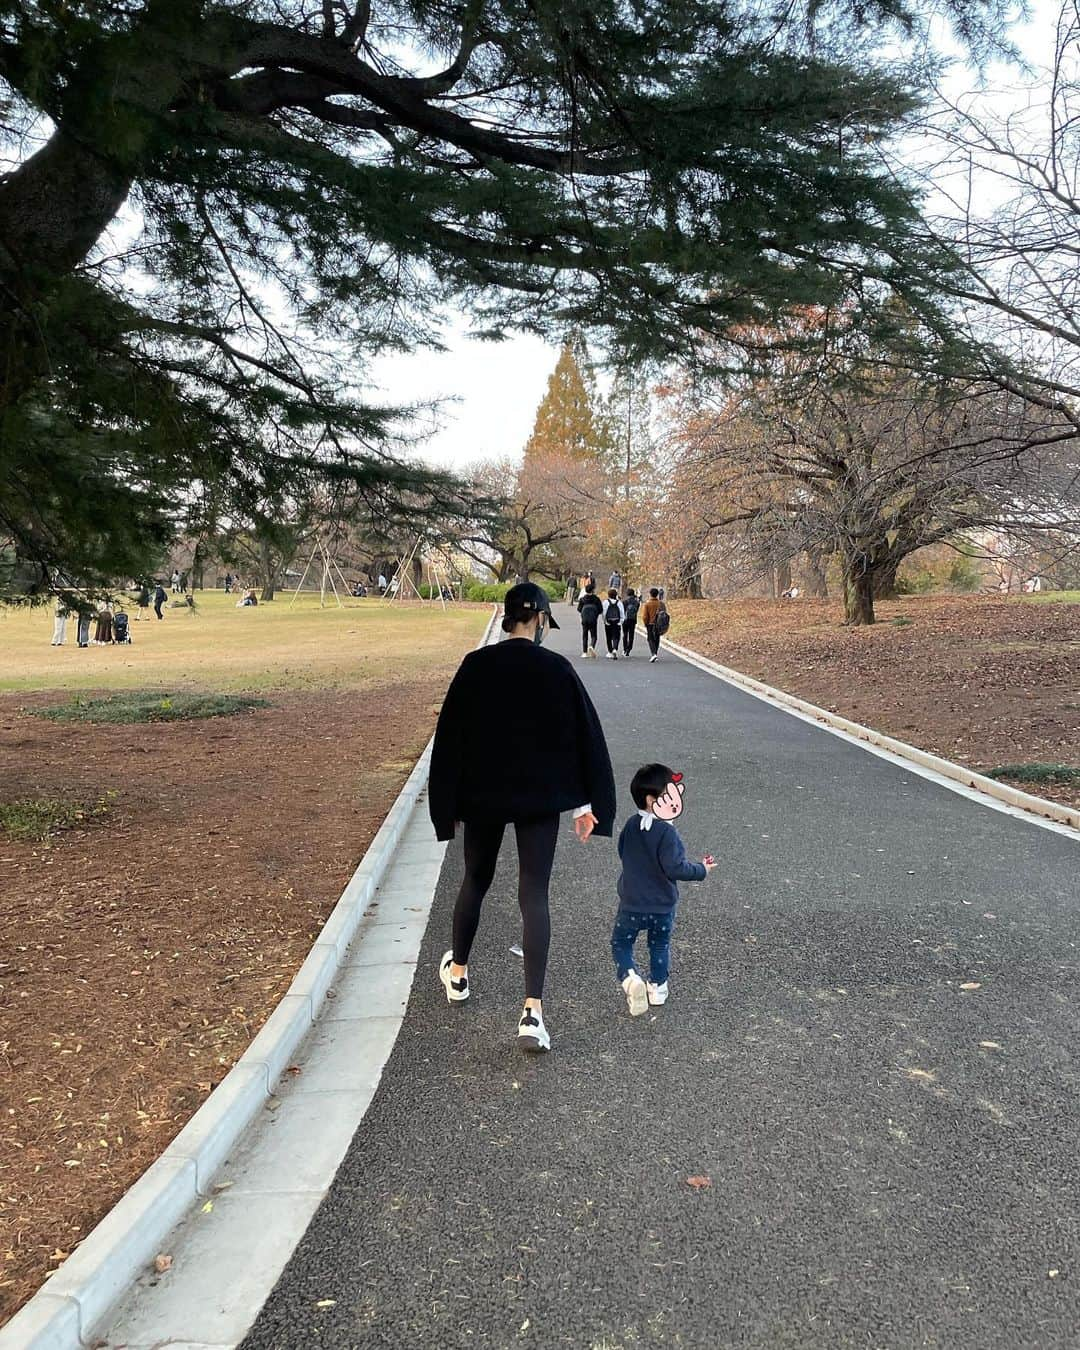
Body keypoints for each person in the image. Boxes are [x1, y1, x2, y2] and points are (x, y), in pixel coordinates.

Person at [429, 582, 616, 1053]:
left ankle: (458, 973)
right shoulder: (556, 669)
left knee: (475, 879)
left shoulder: (476, 666)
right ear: (537, 621)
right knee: (533, 893)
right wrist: (592, 804)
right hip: (539, 800)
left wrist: (444, 809)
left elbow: (449, 739)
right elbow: (587, 738)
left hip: (483, 799)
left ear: (509, 616)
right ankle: (532, 1011)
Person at [611, 764, 716, 1016]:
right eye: (670, 796)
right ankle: (657, 988)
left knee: (621, 943)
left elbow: (622, 851)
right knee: (659, 945)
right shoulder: (667, 832)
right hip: (662, 905)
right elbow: (676, 868)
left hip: (632, 902)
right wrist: (701, 869)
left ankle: (629, 978)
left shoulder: (631, 825)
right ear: (651, 800)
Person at [576, 582, 604, 659]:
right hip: (593, 619)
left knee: (585, 635)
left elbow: (579, 609)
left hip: (584, 620)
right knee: (594, 635)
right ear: (593, 591)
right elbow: (600, 610)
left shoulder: (582, 599)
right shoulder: (596, 599)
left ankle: (584, 652)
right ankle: (592, 646)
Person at [602, 588, 625, 659]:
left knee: (608, 637)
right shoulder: (619, 603)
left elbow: (604, 613)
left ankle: (610, 651)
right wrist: (621, 621)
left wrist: (605, 621)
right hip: (616, 621)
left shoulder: (605, 602)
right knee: (616, 636)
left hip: (608, 621)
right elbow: (622, 613)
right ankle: (615, 648)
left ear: (608, 595)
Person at [641, 587, 663, 661]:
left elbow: (645, 616)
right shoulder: (661, 603)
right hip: (659, 624)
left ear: (650, 594)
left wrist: (645, 623)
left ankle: (653, 654)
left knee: (650, 638)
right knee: (657, 638)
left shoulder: (647, 604)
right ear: (657, 594)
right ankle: (655, 653)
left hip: (650, 624)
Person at [622, 588, 640, 656]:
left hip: (625, 620)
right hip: (633, 620)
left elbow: (622, 611)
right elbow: (636, 611)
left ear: (627, 594)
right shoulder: (637, 602)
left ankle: (624, 649)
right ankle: (629, 650)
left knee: (625, 634)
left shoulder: (624, 602)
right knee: (631, 635)